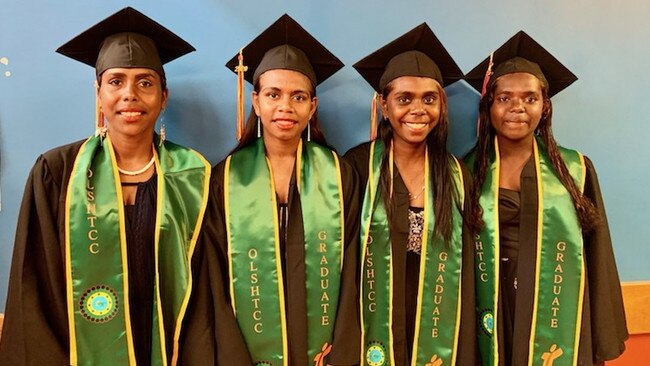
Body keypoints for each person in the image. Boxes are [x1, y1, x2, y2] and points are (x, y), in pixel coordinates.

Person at [0, 7, 211, 366]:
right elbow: (34, 288)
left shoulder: (193, 176)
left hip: (170, 350)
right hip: (77, 352)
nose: (129, 94)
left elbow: (208, 290)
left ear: (164, 97)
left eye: (145, 82)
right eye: (115, 82)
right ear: (98, 94)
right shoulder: (56, 172)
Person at [180, 14, 360, 366]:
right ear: (256, 101)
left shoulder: (340, 176)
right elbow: (213, 282)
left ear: (312, 106)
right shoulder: (224, 179)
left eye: (298, 97)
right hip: (245, 350)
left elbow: (353, 271)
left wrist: (342, 349)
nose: (285, 107)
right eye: (274, 94)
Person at [464, 31, 628, 365]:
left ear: (545, 106)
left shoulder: (574, 169)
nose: (517, 108)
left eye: (530, 98)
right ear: (489, 106)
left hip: (554, 300)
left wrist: (600, 332)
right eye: (504, 98)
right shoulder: (467, 170)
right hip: (491, 301)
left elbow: (597, 254)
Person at [345, 23, 477, 366]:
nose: (418, 110)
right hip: (372, 318)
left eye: (429, 99)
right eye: (404, 99)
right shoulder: (356, 167)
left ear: (442, 106)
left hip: (434, 318)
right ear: (384, 106)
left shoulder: (458, 175)